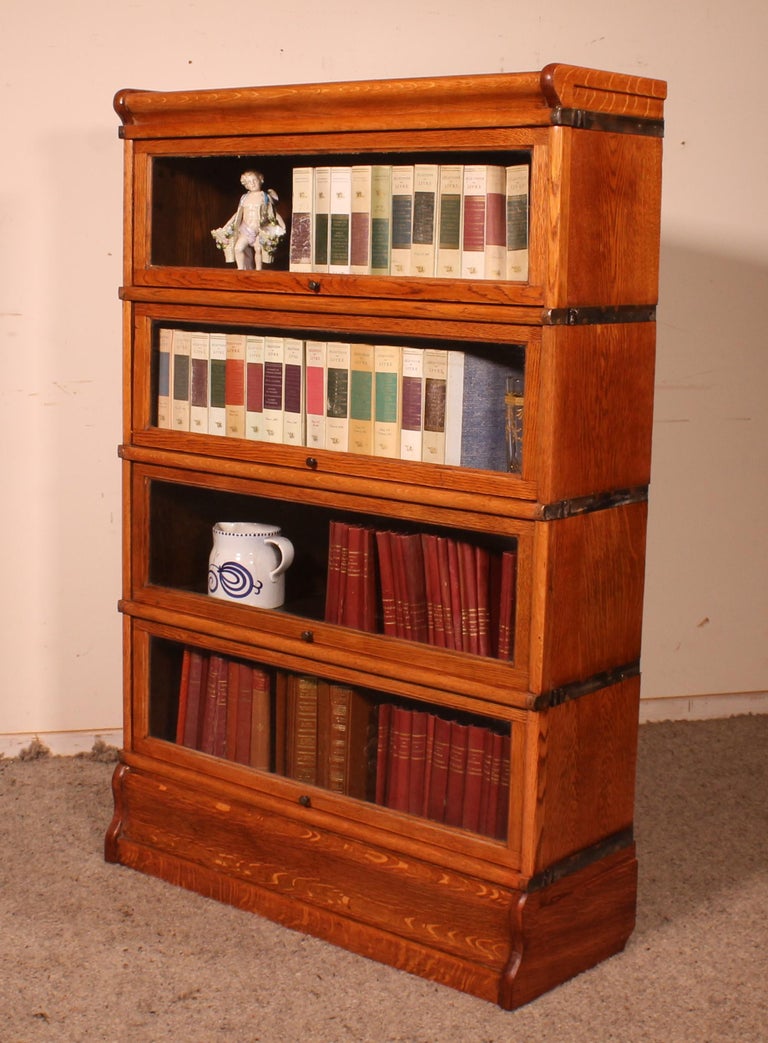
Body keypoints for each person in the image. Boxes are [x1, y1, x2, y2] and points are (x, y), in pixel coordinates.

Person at [211, 170, 286, 269]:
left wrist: (282, 225)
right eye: (249, 182)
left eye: (254, 180)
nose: (252, 183)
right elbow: (237, 214)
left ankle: (258, 270)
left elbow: (274, 213)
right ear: (246, 185)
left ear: (260, 180)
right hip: (246, 230)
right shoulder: (244, 198)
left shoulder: (265, 197)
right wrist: (227, 224)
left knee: (258, 250)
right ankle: (241, 270)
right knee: (238, 249)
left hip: (259, 231)